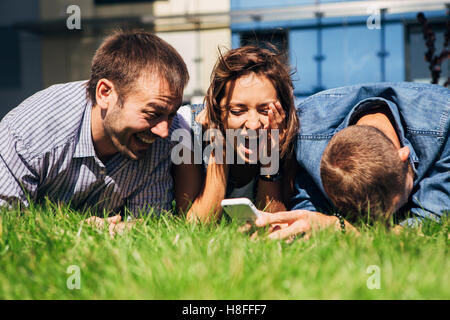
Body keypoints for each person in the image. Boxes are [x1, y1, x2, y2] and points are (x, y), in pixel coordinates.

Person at [0, 30, 200, 226]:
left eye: (171, 114)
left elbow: (150, 222)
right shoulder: (28, 134)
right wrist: (77, 230)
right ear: (105, 93)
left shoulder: (165, 134)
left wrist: (122, 231)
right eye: (152, 113)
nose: (163, 131)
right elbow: (7, 225)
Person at [255, 82, 449, 239]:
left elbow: (433, 223)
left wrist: (339, 227)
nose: (379, 226)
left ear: (403, 156)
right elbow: (309, 212)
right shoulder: (305, 132)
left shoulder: (444, 124)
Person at [179, 46, 299, 223]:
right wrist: (219, 149)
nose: (252, 124)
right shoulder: (188, 129)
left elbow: (273, 223)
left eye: (265, 110)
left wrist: (270, 156)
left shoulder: (285, 132)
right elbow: (194, 225)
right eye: (237, 111)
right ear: (216, 109)